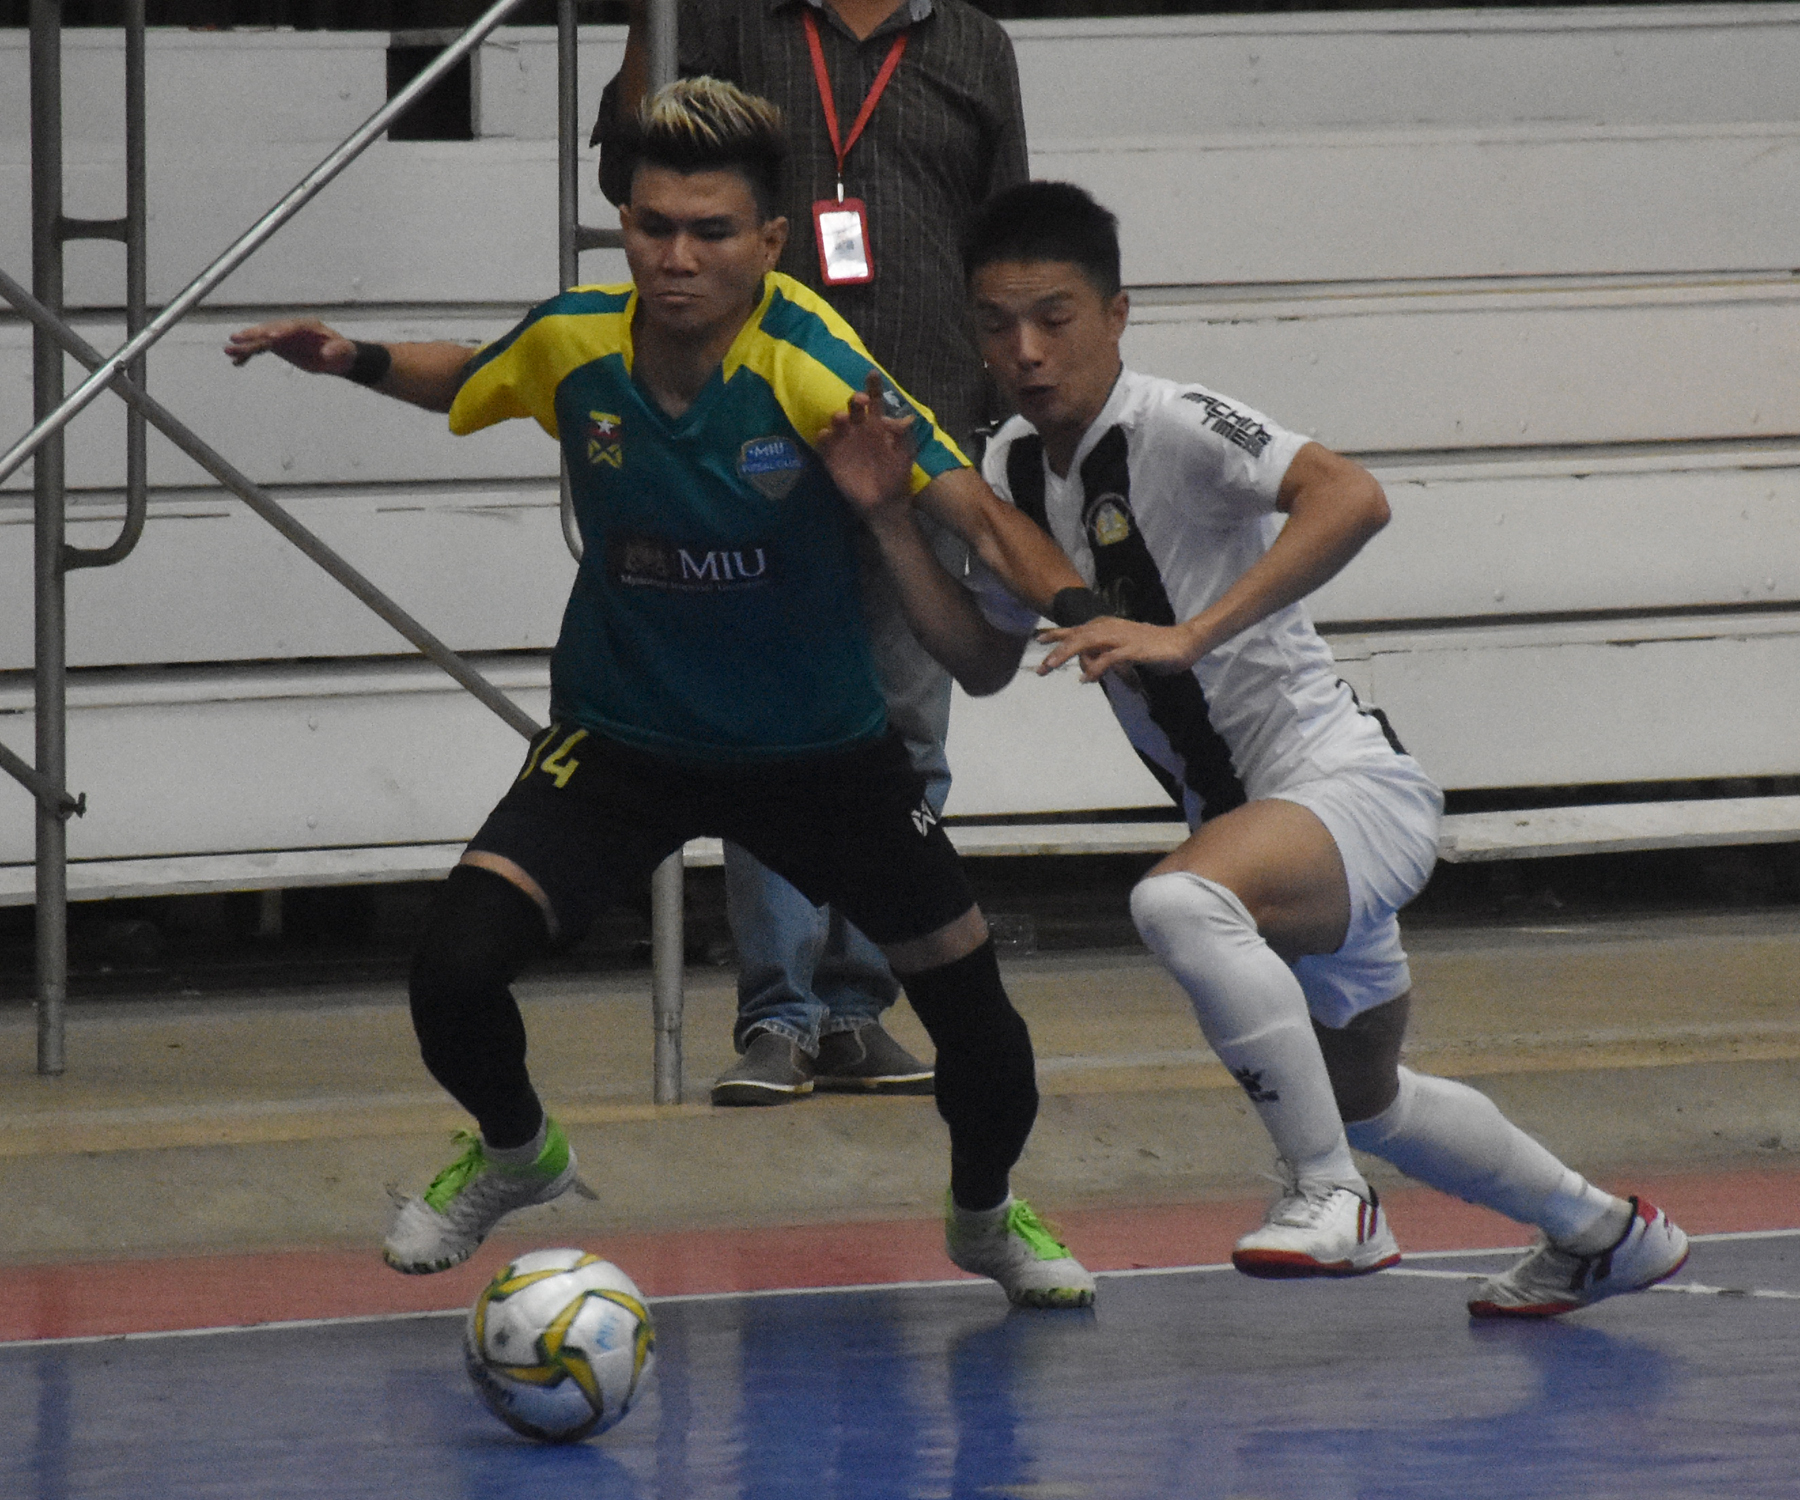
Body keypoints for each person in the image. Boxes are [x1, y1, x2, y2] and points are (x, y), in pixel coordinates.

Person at [222, 80, 1095, 1308]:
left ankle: (987, 1219)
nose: (677, 258)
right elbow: (469, 373)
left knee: (987, 1037)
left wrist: (1090, 610)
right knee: (453, 973)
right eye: (652, 226)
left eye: (711, 231)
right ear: (625, 226)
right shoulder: (577, 341)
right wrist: (350, 358)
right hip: (622, 739)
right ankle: (519, 1152)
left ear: (771, 241)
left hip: (816, 752)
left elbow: (981, 516)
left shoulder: (811, 364)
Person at [903, 179, 1686, 1319]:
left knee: (1178, 905)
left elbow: (1352, 497)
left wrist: (1190, 635)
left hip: (1343, 787)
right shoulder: (1016, 467)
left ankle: (1332, 1196)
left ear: (1116, 315)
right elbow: (981, 660)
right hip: (1254, 832)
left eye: (1054, 318)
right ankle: (1603, 1234)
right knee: (1372, 1099)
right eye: (996, 323)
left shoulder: (1175, 422)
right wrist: (885, 519)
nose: (1025, 351)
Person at [594, 0, 1030, 1106]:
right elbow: (624, 166)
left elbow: (1004, 240)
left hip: (922, 431)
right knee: (773, 730)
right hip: (761, 432)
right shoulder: (735, 20)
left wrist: (999, 401)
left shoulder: (973, 42)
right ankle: (779, 1014)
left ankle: (855, 1009)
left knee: (907, 728)